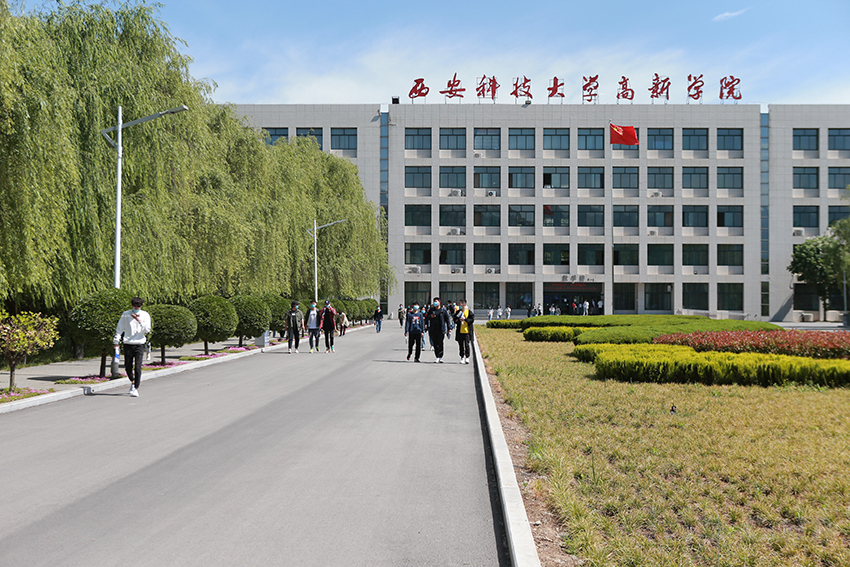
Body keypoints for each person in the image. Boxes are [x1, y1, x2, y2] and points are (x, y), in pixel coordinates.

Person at [113, 296, 152, 397]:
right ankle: (133, 381)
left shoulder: (145, 315)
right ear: (131, 305)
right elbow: (119, 328)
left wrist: (139, 320)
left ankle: (136, 387)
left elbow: (147, 330)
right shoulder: (126, 314)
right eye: (134, 306)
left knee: (138, 367)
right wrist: (116, 341)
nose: (136, 308)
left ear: (141, 306)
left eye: (138, 307)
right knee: (128, 366)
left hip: (139, 343)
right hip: (128, 343)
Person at [425, 297, 451, 363]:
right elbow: (427, 318)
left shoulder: (443, 310)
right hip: (433, 329)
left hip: (441, 329)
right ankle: (437, 356)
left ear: (439, 302)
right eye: (434, 301)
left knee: (440, 343)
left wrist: (449, 328)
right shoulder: (431, 310)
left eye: (436, 301)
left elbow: (447, 320)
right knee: (435, 343)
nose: (435, 303)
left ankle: (440, 357)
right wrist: (430, 317)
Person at [453, 298, 475, 364]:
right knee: (461, 345)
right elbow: (455, 320)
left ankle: (467, 357)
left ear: (463, 304)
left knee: (467, 345)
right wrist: (459, 321)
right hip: (460, 331)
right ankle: (462, 357)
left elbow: (472, 320)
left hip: (467, 331)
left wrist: (465, 319)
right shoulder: (458, 312)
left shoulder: (469, 312)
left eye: (460, 304)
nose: (459, 305)